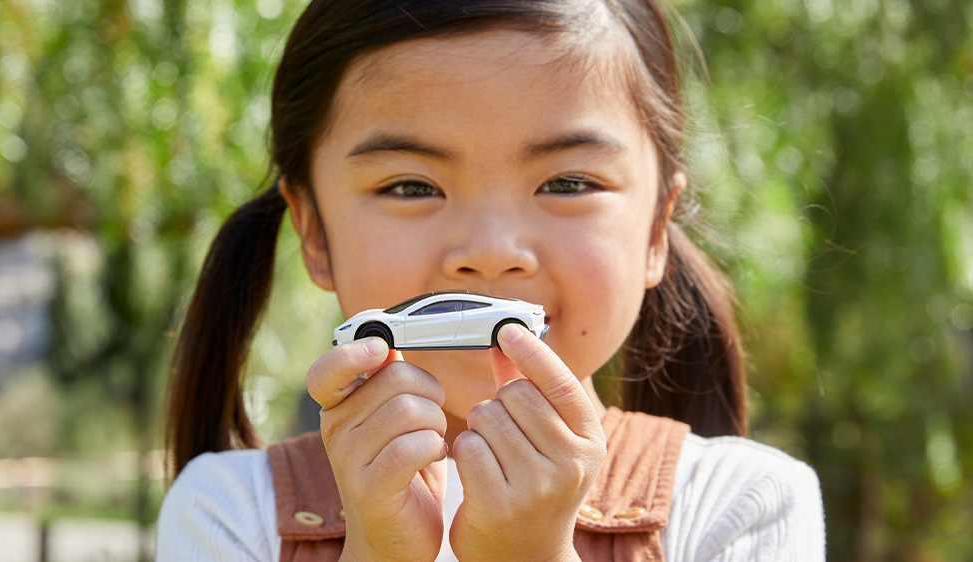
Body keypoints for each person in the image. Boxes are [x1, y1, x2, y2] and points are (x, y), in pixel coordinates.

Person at [156, 1, 825, 560]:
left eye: (568, 182)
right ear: (315, 233)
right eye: (411, 185)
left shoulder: (744, 505)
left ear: (656, 231)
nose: (490, 254)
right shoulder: (229, 511)